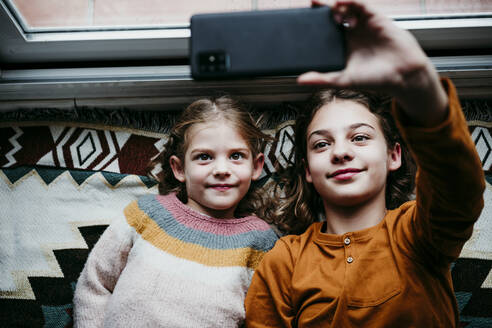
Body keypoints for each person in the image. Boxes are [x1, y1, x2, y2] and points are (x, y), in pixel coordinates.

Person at [244, 0, 485, 327]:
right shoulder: (284, 262)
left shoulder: (419, 234)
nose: (341, 152)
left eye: (359, 138)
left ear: (393, 156)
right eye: (321, 143)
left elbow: (458, 187)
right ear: (307, 172)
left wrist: (416, 82)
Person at [73, 96, 279, 327]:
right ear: (179, 168)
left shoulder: (261, 242)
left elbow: (267, 317)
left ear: (256, 167)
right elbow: (95, 283)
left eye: (236, 156)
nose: (222, 169)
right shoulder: (147, 213)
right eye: (204, 157)